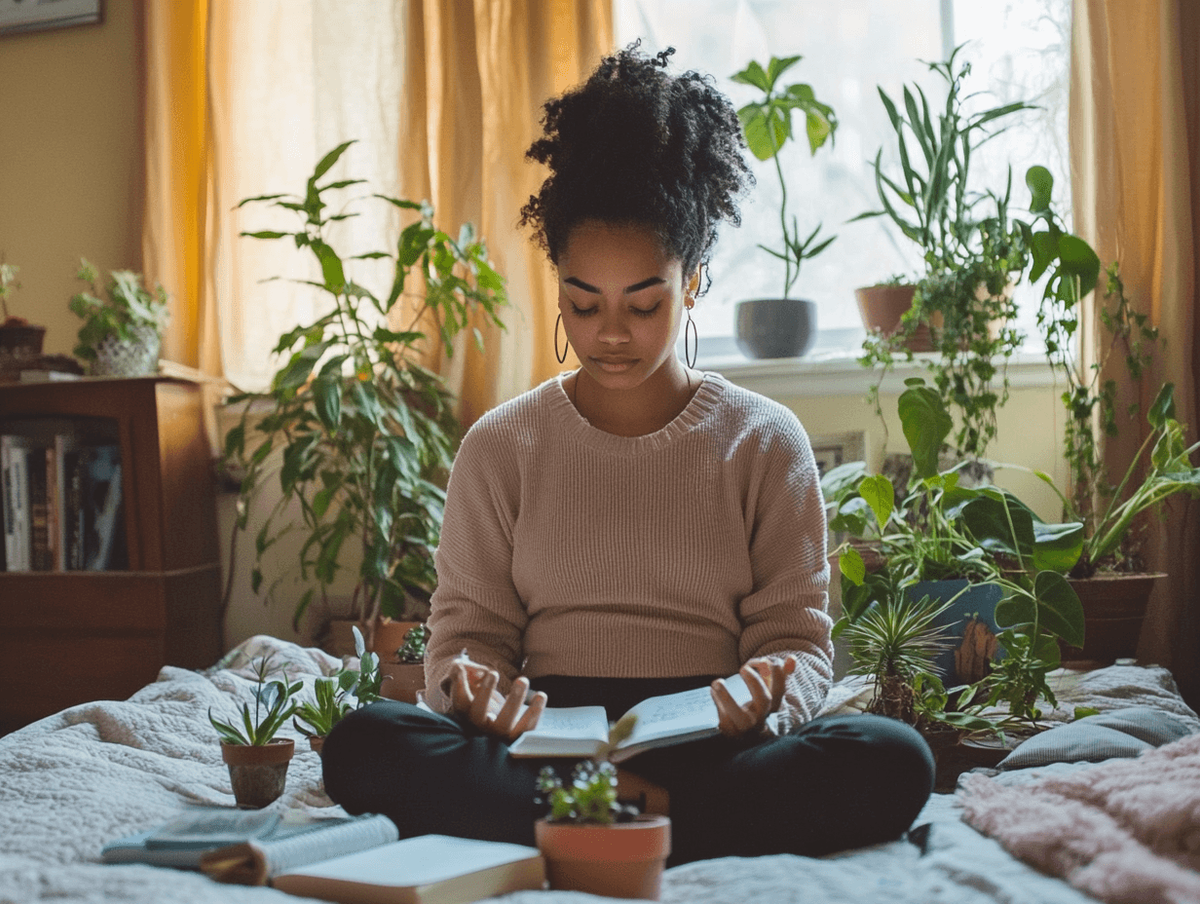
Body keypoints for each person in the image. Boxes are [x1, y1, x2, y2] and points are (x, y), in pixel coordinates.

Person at [322, 43, 934, 865]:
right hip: (541, 745)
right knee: (363, 741)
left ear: (694, 282)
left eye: (644, 303)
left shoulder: (763, 441)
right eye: (584, 302)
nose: (610, 332)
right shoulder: (501, 447)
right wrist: (470, 690)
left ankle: (587, 820)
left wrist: (769, 702)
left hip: (711, 739)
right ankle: (654, 819)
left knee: (892, 758)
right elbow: (466, 638)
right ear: (559, 287)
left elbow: (797, 641)